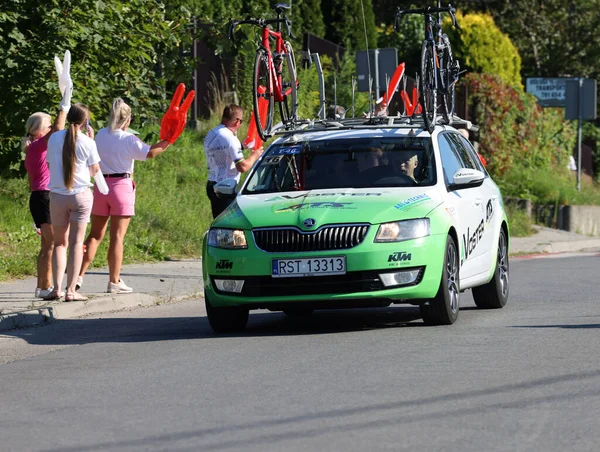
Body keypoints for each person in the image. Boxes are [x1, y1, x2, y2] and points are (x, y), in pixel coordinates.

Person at [77, 98, 173, 294]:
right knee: (117, 238)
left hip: (101, 186)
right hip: (121, 186)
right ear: (127, 120)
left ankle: (78, 276)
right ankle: (114, 281)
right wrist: (169, 140)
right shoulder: (128, 139)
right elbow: (151, 153)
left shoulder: (101, 134)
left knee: (95, 235)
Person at [44, 103, 101, 301]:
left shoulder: (54, 138)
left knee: (60, 243)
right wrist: (91, 141)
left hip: (58, 195)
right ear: (85, 122)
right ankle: (71, 291)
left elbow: (50, 165)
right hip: (81, 195)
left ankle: (56, 289)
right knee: (77, 243)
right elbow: (94, 172)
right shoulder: (88, 142)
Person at [23, 110, 67, 298]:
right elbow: (58, 128)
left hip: (38, 196)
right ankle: (47, 286)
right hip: (44, 196)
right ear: (40, 130)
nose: (50, 128)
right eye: (47, 126)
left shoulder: (33, 147)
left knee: (46, 245)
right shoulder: (39, 145)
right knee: (52, 243)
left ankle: (42, 287)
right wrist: (64, 107)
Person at [204, 104, 263, 218]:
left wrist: (241, 146)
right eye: (240, 122)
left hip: (212, 184)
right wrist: (254, 156)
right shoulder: (231, 139)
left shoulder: (211, 134)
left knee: (219, 222)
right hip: (226, 188)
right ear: (237, 121)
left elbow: (221, 152)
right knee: (230, 225)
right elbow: (242, 167)